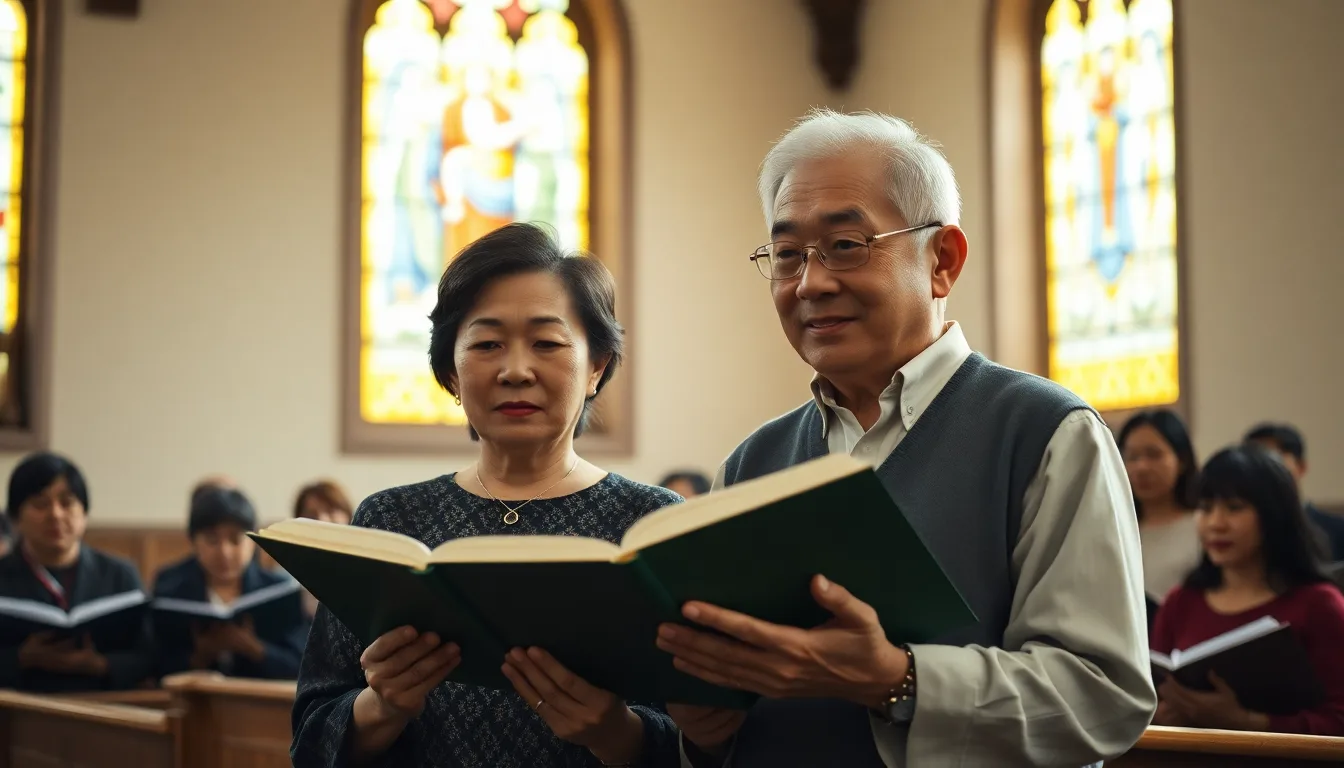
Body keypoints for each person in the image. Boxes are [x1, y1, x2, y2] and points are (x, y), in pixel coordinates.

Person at [655, 110, 1155, 767]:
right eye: (785, 255)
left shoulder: (1045, 433)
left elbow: (1103, 696)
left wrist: (898, 679)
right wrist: (703, 728)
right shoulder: (753, 462)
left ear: (942, 260)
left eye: (846, 245)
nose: (811, 283)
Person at [292, 223, 682, 767]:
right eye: (487, 343)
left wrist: (614, 731)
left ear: (597, 366)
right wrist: (382, 706)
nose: (516, 370)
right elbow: (310, 738)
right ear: (451, 371)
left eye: (547, 343)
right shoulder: (388, 520)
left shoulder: (654, 522)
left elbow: (709, 742)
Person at [1151, 445, 1344, 734]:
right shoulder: (1181, 601)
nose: (1216, 523)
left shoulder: (1319, 605)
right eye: (1205, 508)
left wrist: (1246, 722)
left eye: (1234, 508)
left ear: (1274, 515)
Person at [0, 452, 154, 692]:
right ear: (16, 518)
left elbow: (149, 656)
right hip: (18, 714)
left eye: (67, 502)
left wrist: (100, 665)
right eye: (40, 504)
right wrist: (21, 658)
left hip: (106, 711)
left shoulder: (120, 574)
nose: (56, 514)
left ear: (84, 513)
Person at [152, 486, 308, 679]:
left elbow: (302, 666)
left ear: (253, 542)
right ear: (193, 542)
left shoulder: (280, 590)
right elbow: (153, 666)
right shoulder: (171, 593)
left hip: (262, 702)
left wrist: (255, 649)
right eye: (212, 540)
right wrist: (199, 657)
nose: (224, 552)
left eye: (235, 540)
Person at [1118, 410, 1204, 626]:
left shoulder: (1203, 527)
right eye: (1132, 457)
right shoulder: (1116, 529)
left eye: (1154, 455)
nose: (1141, 467)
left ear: (1182, 460)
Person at [1245, 423, 1344, 562]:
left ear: (1301, 467)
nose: (1261, 471)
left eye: (1272, 461)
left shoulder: (1337, 530)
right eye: (1252, 462)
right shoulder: (1241, 532)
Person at [291, 479, 355, 618]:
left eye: (331, 511)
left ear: (349, 517)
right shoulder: (286, 583)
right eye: (311, 515)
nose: (321, 520)